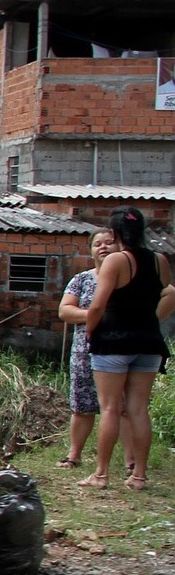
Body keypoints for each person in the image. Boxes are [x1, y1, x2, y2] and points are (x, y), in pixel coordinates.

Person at [80, 206, 175, 490]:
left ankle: (101, 474)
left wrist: (90, 330)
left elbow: (97, 305)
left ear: (114, 233)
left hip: (113, 341)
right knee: (138, 410)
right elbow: (165, 289)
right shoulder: (160, 260)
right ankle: (139, 476)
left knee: (110, 408)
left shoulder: (116, 261)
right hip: (148, 341)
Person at [56, 229, 117, 468]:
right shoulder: (81, 280)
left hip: (118, 353)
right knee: (82, 407)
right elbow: (65, 311)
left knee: (119, 408)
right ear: (90, 250)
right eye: (97, 244)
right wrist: (96, 315)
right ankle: (74, 455)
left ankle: (130, 463)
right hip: (84, 351)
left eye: (109, 243)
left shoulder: (127, 280)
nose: (103, 248)